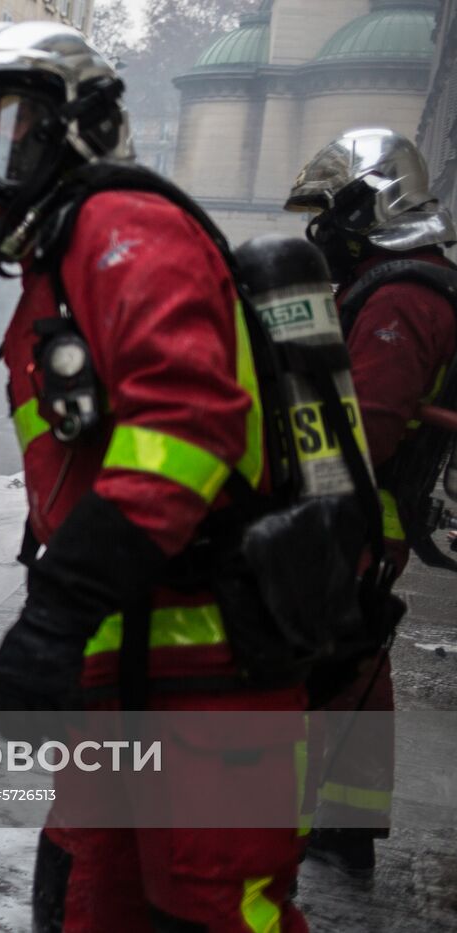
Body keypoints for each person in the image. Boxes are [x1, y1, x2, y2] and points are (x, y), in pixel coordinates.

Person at [0, 22, 309, 929]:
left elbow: (186, 423)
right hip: (129, 675)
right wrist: (60, 625)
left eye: (10, 135)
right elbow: (80, 483)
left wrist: (56, 614)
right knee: (88, 902)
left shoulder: (121, 225)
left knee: (216, 909)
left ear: (82, 126)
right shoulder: (54, 269)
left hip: (216, 676)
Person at [285, 129, 457, 877]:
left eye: (329, 214)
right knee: (356, 669)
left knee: (305, 670)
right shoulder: (406, 281)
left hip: (359, 507)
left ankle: (282, 826)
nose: (320, 233)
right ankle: (346, 825)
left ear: (369, 207)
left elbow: (367, 427)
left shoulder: (402, 295)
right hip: (367, 508)